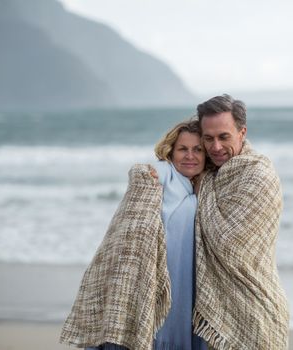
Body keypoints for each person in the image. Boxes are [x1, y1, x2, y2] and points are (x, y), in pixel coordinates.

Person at [59, 119, 209, 350]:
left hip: (184, 283)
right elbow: (144, 170)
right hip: (153, 277)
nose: (190, 156)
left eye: (198, 149)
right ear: (170, 151)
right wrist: (143, 172)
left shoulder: (201, 187)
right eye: (183, 149)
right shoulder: (167, 174)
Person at [191, 94, 290, 349]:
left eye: (224, 137)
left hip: (256, 310)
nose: (215, 147)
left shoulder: (258, 175)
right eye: (208, 138)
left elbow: (230, 244)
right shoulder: (207, 173)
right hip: (215, 319)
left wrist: (202, 192)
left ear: (241, 132)